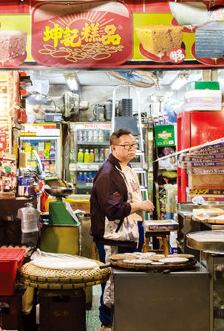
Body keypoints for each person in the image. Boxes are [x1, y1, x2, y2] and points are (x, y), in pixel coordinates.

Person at [90, 128, 154, 331]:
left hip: (129, 236)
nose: (132, 148)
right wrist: (141, 206)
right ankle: (106, 325)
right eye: (127, 146)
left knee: (125, 284)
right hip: (114, 239)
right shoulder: (109, 173)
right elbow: (113, 209)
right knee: (112, 284)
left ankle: (123, 322)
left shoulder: (127, 168)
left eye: (134, 145)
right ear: (114, 148)